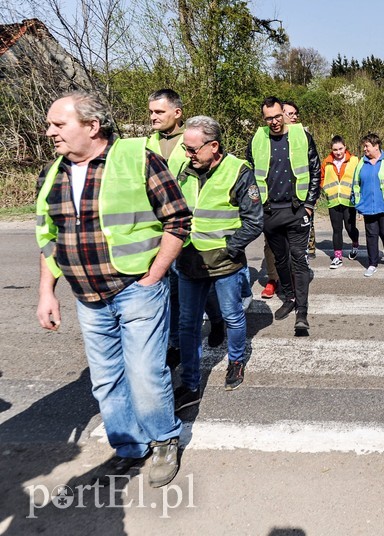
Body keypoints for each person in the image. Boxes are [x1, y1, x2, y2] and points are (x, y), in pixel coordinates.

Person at [35, 90, 191, 488]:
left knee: (144, 372)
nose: (50, 131)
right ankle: (128, 447)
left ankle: (163, 440)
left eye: (59, 124)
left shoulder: (136, 157)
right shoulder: (54, 172)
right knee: (105, 379)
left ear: (91, 125)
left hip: (135, 288)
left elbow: (177, 219)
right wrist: (46, 292)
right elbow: (48, 238)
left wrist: (155, 273)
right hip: (86, 295)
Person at [174, 115, 262, 405]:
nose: (187, 154)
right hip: (189, 262)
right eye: (185, 148)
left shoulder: (238, 171)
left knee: (233, 316)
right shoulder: (184, 171)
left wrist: (229, 249)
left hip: (225, 263)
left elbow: (254, 220)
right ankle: (189, 381)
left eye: (192, 149)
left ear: (213, 146)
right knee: (188, 325)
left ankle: (236, 361)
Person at [145, 89, 230, 360]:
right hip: (158, 226)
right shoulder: (147, 144)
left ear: (177, 113)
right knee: (169, 287)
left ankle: (216, 320)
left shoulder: (194, 140)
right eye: (151, 112)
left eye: (159, 112)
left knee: (197, 282)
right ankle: (175, 343)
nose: (153, 117)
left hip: (187, 227)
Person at [248, 96, 321, 331]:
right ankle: (288, 298)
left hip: (296, 209)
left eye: (277, 116)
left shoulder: (301, 136)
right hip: (269, 211)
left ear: (284, 113)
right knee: (280, 259)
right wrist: (255, 205)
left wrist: (309, 204)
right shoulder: (258, 139)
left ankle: (302, 310)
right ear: (264, 118)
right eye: (268, 118)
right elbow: (248, 176)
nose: (274, 122)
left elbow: (315, 170)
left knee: (298, 259)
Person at [352, 133, 384, 277]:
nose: (364, 149)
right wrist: (357, 202)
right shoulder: (361, 163)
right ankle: (372, 263)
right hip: (368, 206)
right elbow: (355, 184)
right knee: (371, 235)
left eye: (367, 146)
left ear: (376, 146)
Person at [284, 100, 317, 260]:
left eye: (296, 114)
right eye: (291, 114)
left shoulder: (305, 137)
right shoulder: (266, 139)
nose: (295, 117)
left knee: (299, 250)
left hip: (301, 201)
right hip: (277, 203)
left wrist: (310, 203)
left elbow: (314, 170)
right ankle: (276, 279)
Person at [321, 135, 360, 268]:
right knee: (336, 229)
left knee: (350, 228)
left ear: (345, 147)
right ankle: (337, 257)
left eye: (340, 149)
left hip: (349, 201)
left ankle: (355, 243)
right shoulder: (326, 162)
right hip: (333, 201)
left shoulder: (354, 160)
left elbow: (360, 177)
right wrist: (325, 189)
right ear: (331, 150)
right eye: (335, 149)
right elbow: (321, 177)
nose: (338, 152)